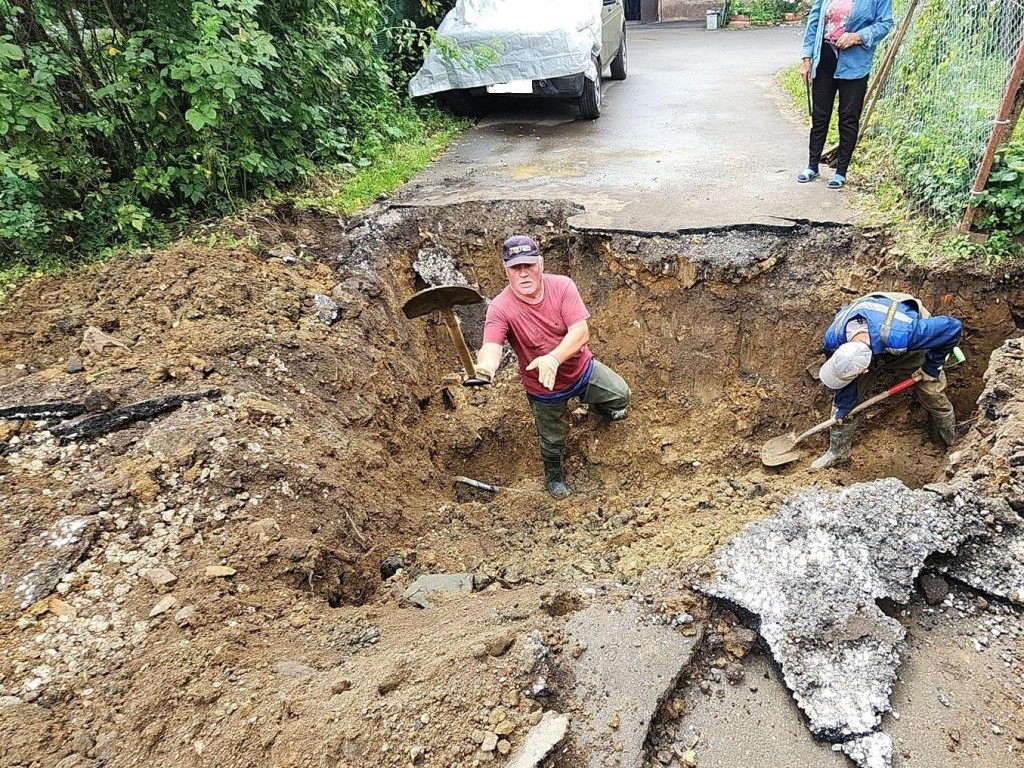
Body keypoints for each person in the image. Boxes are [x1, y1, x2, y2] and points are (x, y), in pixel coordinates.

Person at [467, 235, 631, 498]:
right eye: (515, 268)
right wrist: (485, 368)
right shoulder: (500, 307)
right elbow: (492, 345)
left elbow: (580, 332)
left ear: (541, 264)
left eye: (529, 266)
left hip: (581, 371)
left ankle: (598, 407)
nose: (523, 274)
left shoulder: (563, 287)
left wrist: (553, 359)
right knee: (554, 440)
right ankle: (553, 475)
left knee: (621, 395)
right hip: (545, 389)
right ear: (506, 270)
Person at [813, 291, 962, 469]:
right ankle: (838, 453)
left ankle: (951, 442)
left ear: (866, 370)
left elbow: (952, 327)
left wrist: (931, 366)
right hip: (872, 321)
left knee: (931, 392)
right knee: (843, 403)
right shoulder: (833, 338)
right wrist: (843, 411)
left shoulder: (902, 336)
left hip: (900, 317)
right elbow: (843, 380)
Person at [797, 0, 894, 189]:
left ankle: (841, 171)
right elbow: (815, 21)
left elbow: (885, 23)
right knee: (820, 115)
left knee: (848, 117)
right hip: (824, 58)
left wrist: (858, 36)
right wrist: (806, 58)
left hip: (855, 62)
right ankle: (812, 165)